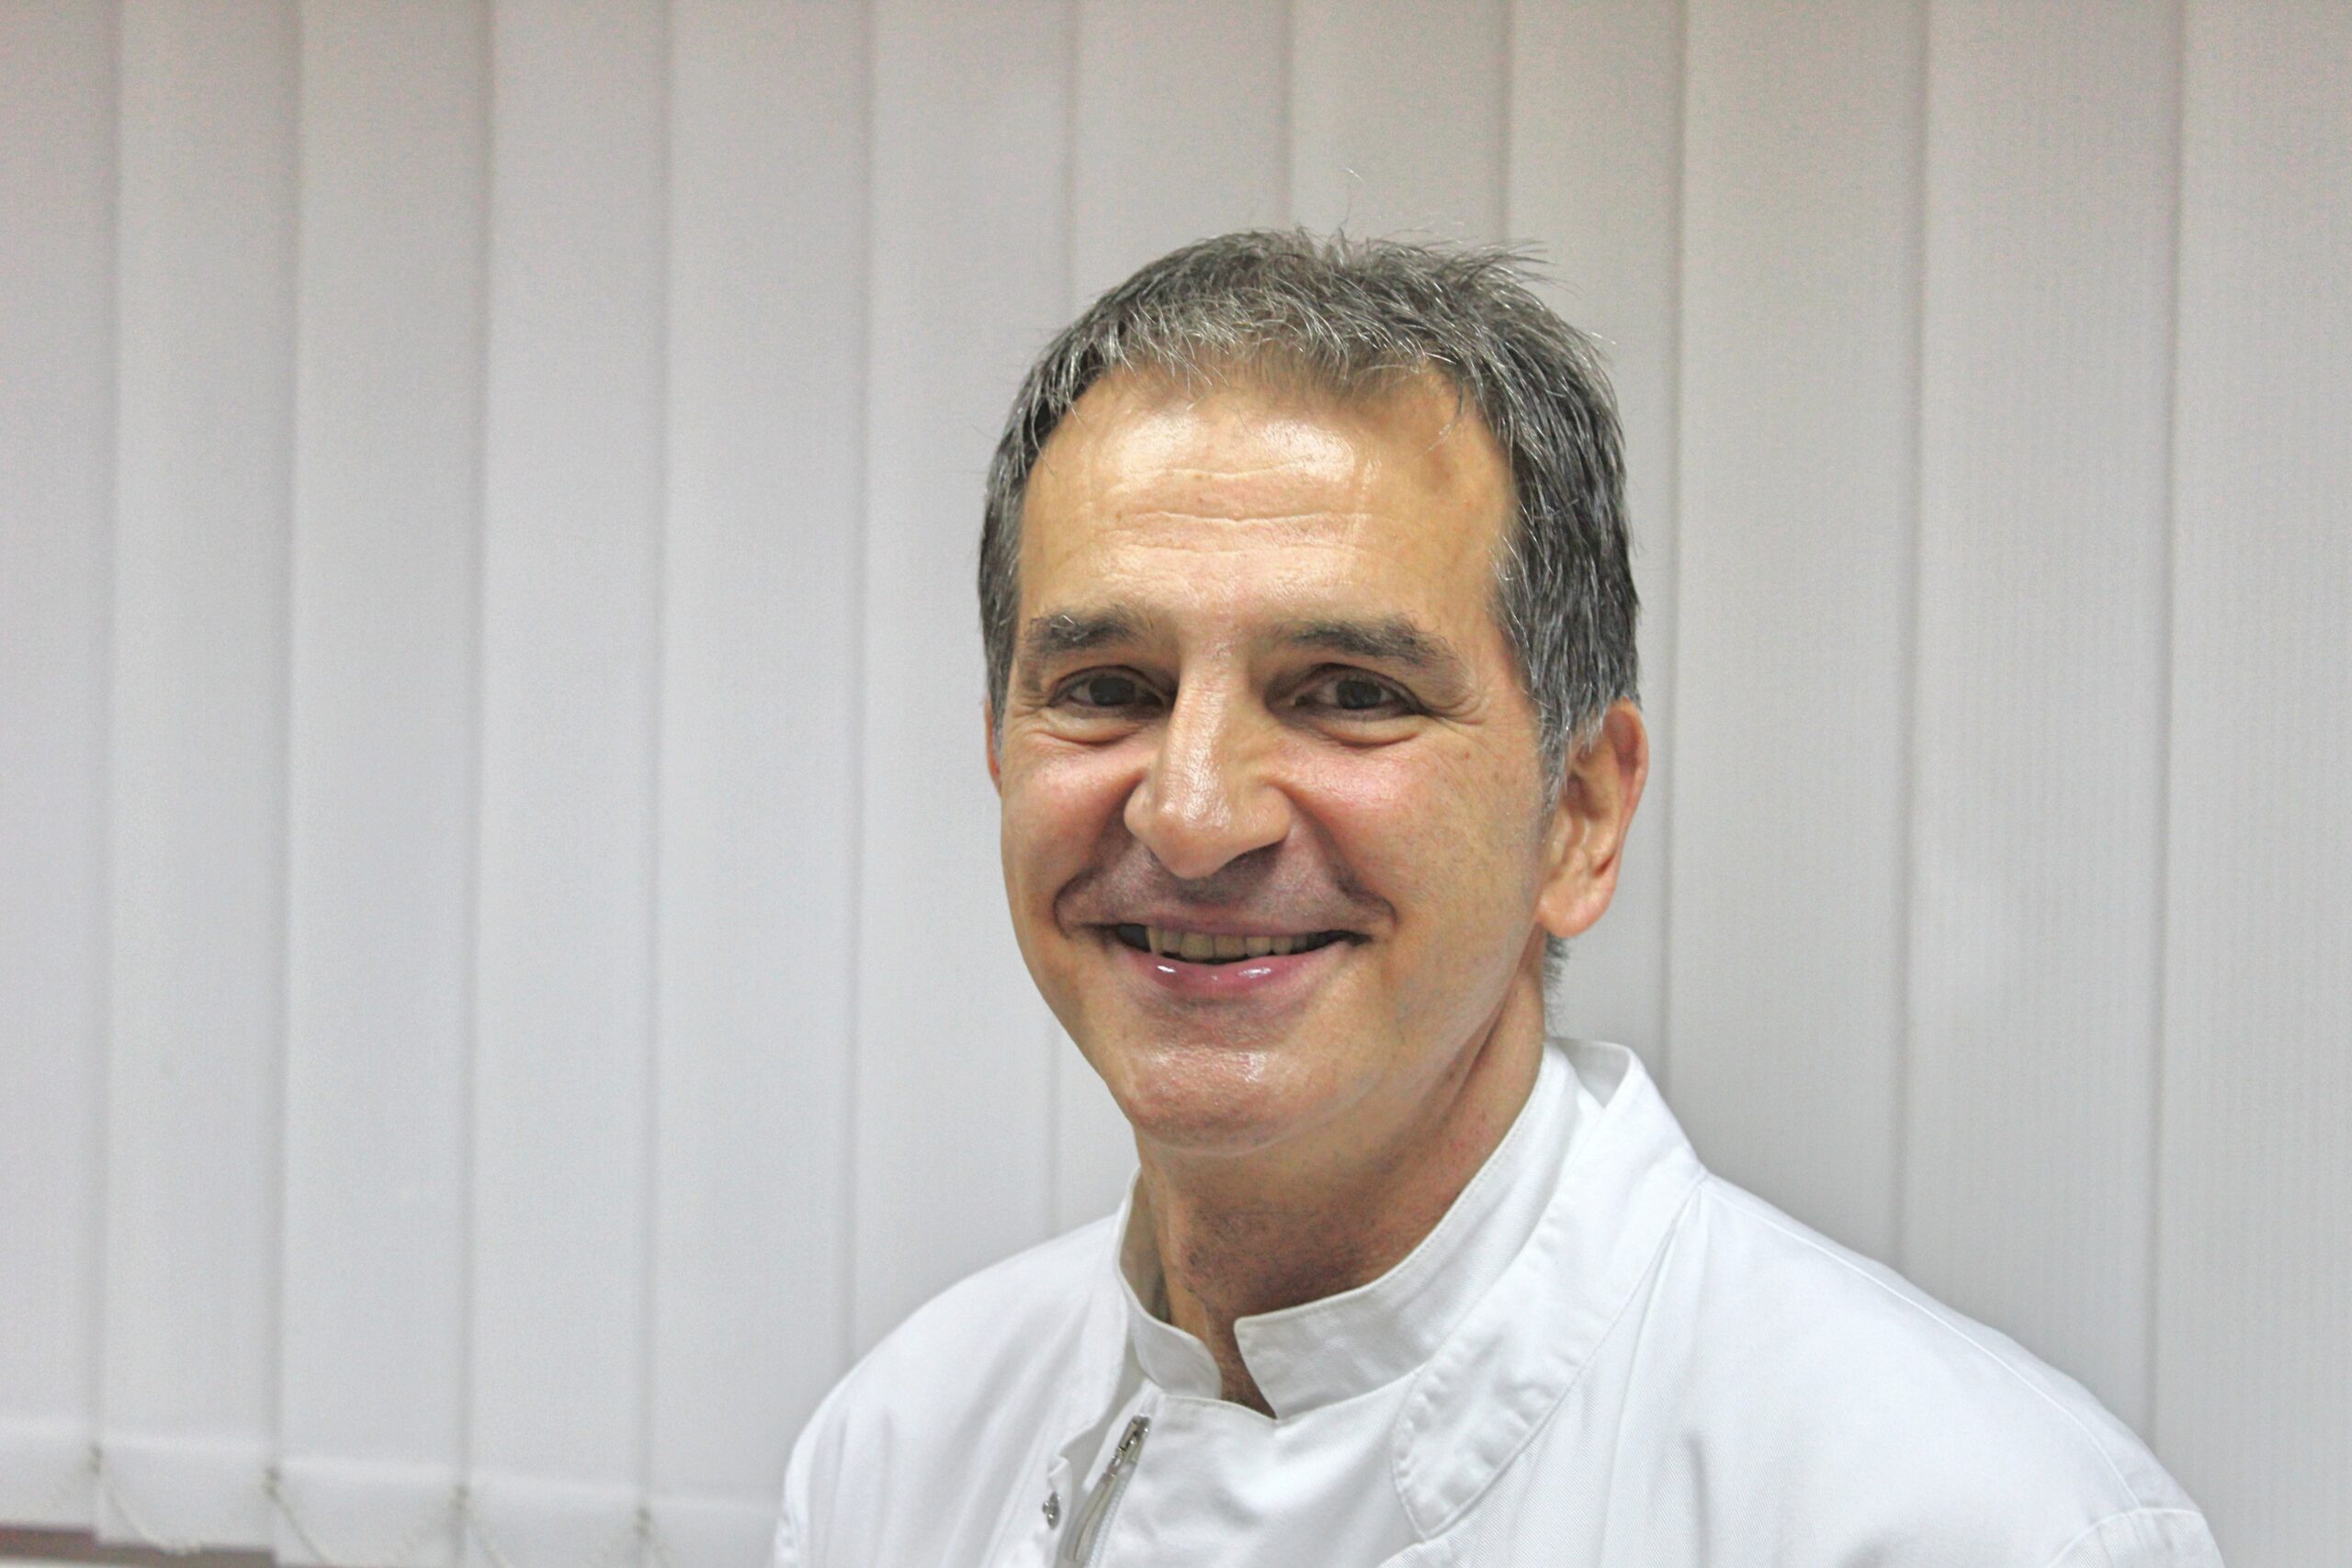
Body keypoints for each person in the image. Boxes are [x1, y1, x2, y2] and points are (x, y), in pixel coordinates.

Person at [776, 231, 2220, 1567]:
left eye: (1351, 693)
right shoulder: (898, 1450)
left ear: (1578, 814)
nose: (1195, 815)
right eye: (1107, 688)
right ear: (1000, 752)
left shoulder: (1965, 1522)